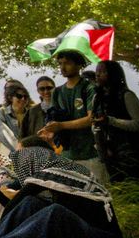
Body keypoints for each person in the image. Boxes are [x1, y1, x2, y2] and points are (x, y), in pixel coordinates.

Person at [90, 60, 139, 183]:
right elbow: (95, 125)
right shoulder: (97, 98)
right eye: (97, 72)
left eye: (103, 71)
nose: (98, 75)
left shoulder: (126, 95)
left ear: (113, 74)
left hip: (135, 152)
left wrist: (111, 121)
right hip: (112, 153)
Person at [41, 50, 104, 181]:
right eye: (60, 63)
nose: (63, 67)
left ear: (79, 65)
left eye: (67, 63)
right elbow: (54, 118)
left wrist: (61, 126)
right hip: (67, 154)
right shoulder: (57, 92)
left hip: (90, 152)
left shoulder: (89, 88)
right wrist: (49, 131)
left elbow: (91, 119)